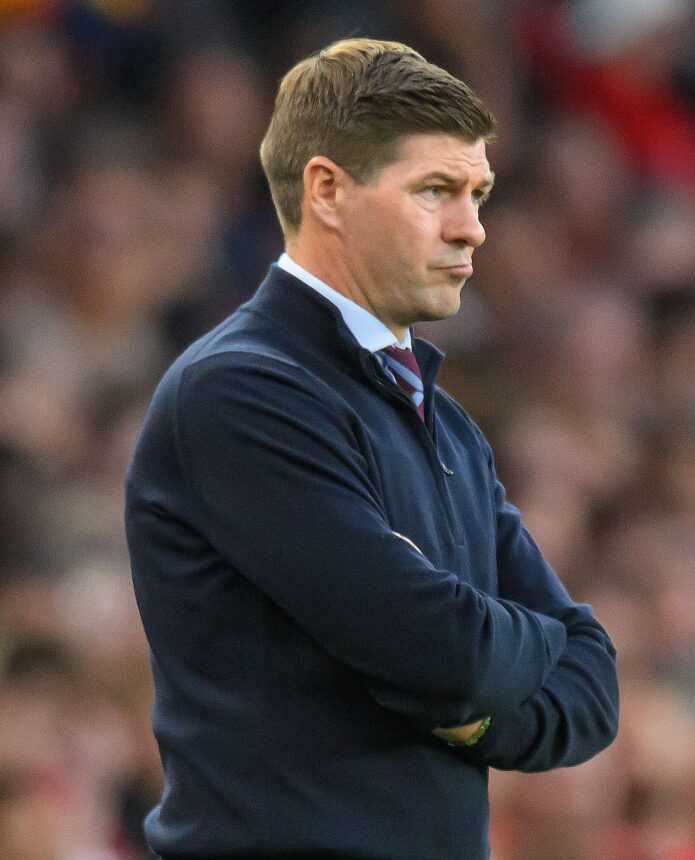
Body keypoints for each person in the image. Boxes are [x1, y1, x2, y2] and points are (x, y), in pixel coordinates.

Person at [125, 38, 619, 860]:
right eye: (436, 191)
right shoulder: (241, 393)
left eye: (478, 193)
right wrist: (513, 649)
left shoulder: (444, 421)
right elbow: (452, 654)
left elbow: (593, 686)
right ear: (327, 191)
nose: (474, 229)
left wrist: (473, 690)